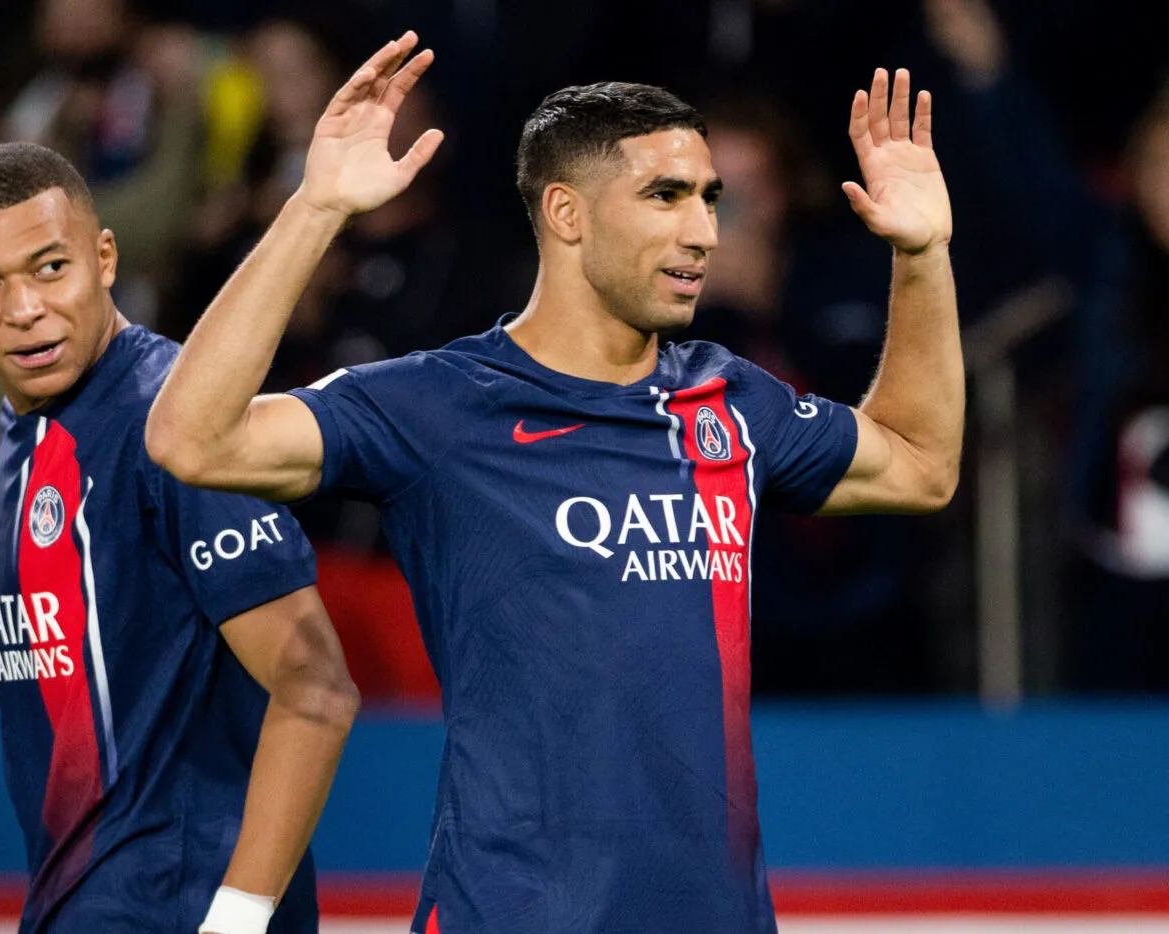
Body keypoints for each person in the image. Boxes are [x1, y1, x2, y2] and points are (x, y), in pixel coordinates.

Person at [147, 32, 962, 934]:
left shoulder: (728, 400)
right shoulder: (438, 407)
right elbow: (194, 440)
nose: (702, 230)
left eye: (709, 199)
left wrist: (922, 253)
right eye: (665, 197)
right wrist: (315, 209)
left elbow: (921, 464)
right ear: (567, 214)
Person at [0, 143, 358, 932]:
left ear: (104, 258)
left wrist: (236, 919)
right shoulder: (34, 429)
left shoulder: (169, 422)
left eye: (49, 267)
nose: (23, 308)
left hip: (178, 907)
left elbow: (318, 689)